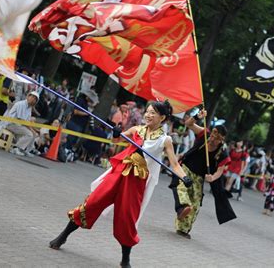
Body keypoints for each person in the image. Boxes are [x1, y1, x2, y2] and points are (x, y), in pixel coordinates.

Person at [48, 101, 192, 268]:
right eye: (147, 111)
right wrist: (116, 133)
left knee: (127, 219)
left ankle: (125, 260)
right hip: (118, 173)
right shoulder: (136, 129)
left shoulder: (165, 140)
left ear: (163, 118)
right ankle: (63, 235)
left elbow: (174, 164)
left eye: (153, 113)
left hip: (135, 182)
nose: (148, 115)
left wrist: (184, 177)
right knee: (92, 203)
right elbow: (117, 141)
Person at [170, 109, 236, 239]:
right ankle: (182, 208)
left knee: (196, 203)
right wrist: (197, 116)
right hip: (186, 168)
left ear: (221, 139)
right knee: (181, 188)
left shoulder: (222, 152)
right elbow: (189, 124)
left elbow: (220, 171)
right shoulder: (204, 134)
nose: (212, 138)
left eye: (216, 137)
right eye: (212, 134)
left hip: (200, 176)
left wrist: (212, 177)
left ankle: (183, 229)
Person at [4, 92, 40, 156]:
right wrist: (31, 129)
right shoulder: (21, 104)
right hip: (11, 124)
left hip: (20, 125)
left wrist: (33, 129)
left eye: (35, 99)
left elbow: (27, 121)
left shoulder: (29, 107)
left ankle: (26, 150)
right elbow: (21, 120)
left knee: (34, 134)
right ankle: (16, 148)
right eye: (32, 97)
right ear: (28, 96)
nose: (33, 99)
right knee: (30, 134)